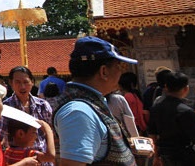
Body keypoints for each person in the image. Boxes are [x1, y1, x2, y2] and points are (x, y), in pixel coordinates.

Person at [53, 36, 147, 166]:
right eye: (118, 66)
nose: (121, 71)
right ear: (104, 71)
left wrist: (127, 144)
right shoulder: (78, 112)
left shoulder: (90, 104)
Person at [148, 71, 195, 166]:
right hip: (186, 157)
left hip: (166, 156)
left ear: (166, 87)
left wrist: (156, 156)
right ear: (186, 88)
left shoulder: (156, 108)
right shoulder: (186, 111)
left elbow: (152, 133)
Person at [0, 66, 53, 165]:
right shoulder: (6, 108)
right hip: (19, 160)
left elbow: (51, 134)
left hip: (43, 160)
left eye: (26, 82)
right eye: (18, 82)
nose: (22, 86)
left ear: (32, 82)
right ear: (11, 83)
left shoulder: (43, 106)